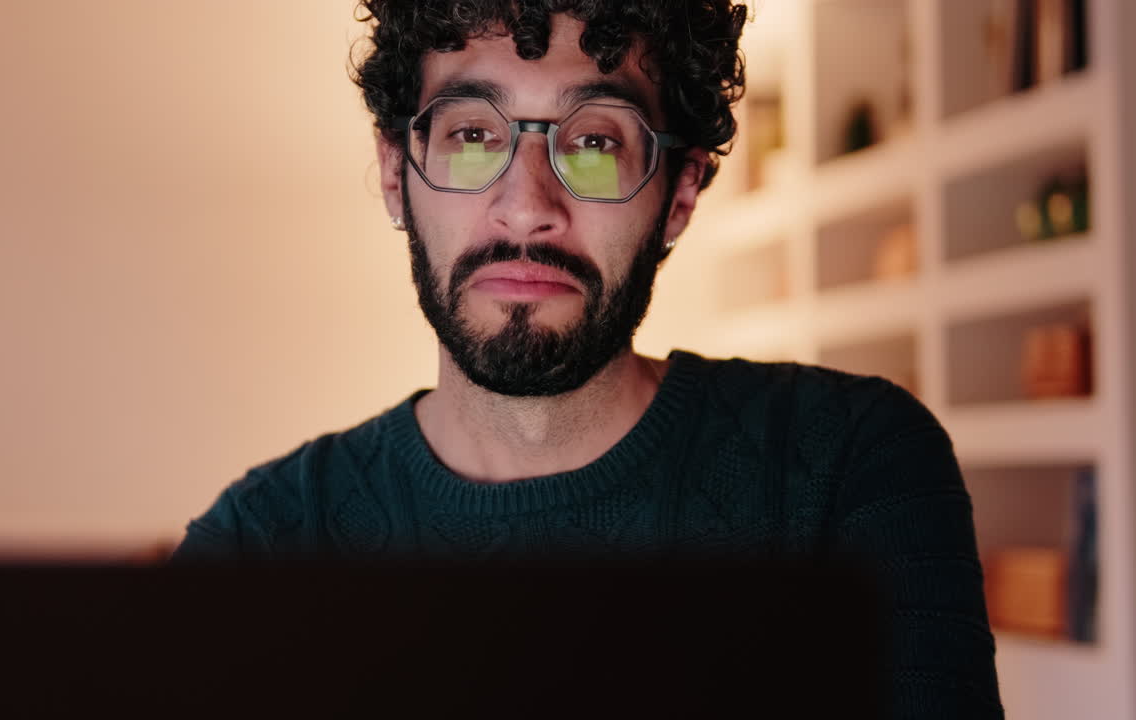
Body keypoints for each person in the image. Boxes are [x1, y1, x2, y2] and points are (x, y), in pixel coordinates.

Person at [173, 2, 1003, 716]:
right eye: (473, 134)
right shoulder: (259, 548)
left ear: (679, 194)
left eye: (596, 143)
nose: (526, 207)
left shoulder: (853, 465)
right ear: (397, 175)